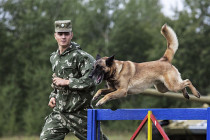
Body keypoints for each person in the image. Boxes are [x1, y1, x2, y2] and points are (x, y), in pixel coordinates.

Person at [40, 20, 107, 140]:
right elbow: (56, 82)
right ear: (55, 36)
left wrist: (67, 82)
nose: (63, 37)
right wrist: (53, 96)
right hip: (60, 113)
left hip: (80, 114)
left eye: (66, 33)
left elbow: (92, 81)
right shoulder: (54, 58)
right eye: (60, 34)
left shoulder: (82, 57)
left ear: (71, 35)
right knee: (46, 138)